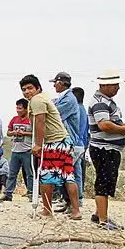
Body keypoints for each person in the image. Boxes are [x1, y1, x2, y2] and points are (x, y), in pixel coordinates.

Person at [20, 74, 82, 220]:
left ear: (37, 88)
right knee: (68, 175)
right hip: (62, 140)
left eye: (30, 88)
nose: (27, 92)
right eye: (24, 89)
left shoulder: (37, 100)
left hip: (54, 142)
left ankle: (47, 210)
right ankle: (76, 210)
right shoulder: (41, 98)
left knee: (46, 176)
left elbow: (40, 122)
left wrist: (38, 145)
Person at [88, 69, 125, 230]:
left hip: (107, 148)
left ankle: (98, 214)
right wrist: (123, 129)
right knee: (103, 182)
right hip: (104, 148)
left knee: (106, 181)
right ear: (105, 85)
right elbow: (104, 124)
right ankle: (103, 219)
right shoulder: (101, 102)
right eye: (115, 85)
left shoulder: (105, 101)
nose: (117, 88)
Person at [50, 72, 84, 209]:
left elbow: (55, 113)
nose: (54, 85)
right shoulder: (64, 98)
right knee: (69, 174)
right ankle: (70, 202)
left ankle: (75, 204)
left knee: (70, 175)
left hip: (70, 141)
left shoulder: (69, 99)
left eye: (55, 83)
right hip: (69, 142)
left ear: (61, 83)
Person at [0, 98, 34, 202]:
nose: (18, 110)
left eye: (20, 108)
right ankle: (8, 193)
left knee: (30, 174)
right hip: (15, 150)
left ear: (26, 109)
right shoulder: (14, 119)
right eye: (17, 108)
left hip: (27, 150)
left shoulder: (31, 120)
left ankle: (31, 193)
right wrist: (14, 132)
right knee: (12, 173)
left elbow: (36, 133)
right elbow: (8, 132)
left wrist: (24, 134)